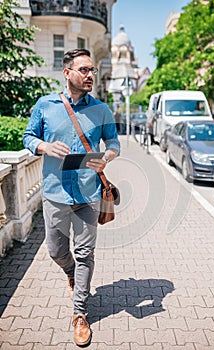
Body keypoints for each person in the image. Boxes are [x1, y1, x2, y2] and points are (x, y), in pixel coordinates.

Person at [23, 48, 120, 347]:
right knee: (55, 251)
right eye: (84, 70)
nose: (90, 75)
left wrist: (107, 157)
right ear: (67, 73)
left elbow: (113, 143)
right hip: (53, 192)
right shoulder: (45, 105)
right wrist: (44, 147)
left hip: (89, 194)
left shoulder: (101, 109)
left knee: (86, 254)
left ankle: (80, 313)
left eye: (91, 70)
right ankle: (70, 274)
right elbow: (28, 137)